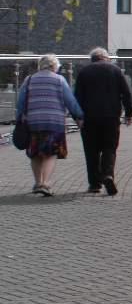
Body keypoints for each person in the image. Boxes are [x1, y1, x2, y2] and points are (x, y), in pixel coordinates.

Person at [15, 54, 83, 197]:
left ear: (41, 66)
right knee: (51, 153)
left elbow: (20, 102)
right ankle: (45, 184)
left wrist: (18, 119)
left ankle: (37, 183)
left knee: (35, 153)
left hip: (33, 123)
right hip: (54, 123)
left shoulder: (29, 80)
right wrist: (79, 116)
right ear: (55, 66)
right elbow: (70, 100)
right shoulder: (59, 80)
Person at [73, 47, 132, 195]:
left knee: (91, 150)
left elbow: (77, 96)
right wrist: (129, 113)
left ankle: (94, 184)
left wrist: (77, 117)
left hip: (89, 118)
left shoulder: (84, 72)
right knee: (109, 147)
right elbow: (126, 93)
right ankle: (107, 174)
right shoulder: (116, 70)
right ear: (107, 58)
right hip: (111, 117)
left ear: (92, 59)